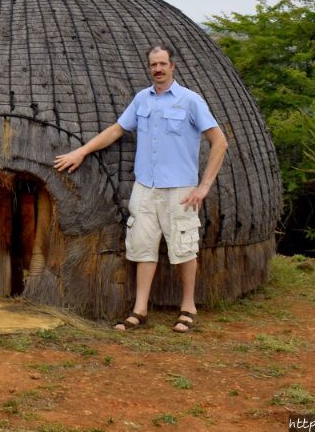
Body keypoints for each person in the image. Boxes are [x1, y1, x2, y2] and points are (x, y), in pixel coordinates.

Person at [53, 45, 228, 333]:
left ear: (173, 66)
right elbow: (116, 130)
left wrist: (204, 186)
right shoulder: (141, 100)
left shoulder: (190, 101)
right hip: (145, 187)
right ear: (149, 68)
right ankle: (140, 309)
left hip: (180, 189)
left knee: (184, 249)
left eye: (162, 64)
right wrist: (81, 152)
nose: (157, 69)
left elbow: (219, 142)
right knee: (142, 247)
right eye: (153, 65)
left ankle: (188, 307)